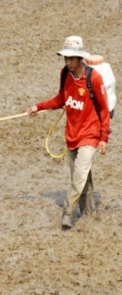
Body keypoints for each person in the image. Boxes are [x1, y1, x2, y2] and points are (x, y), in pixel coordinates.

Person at [27, 36, 110, 230]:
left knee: (78, 176)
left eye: (71, 58)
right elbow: (61, 99)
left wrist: (104, 138)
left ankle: (67, 213)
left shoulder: (94, 78)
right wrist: (38, 107)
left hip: (90, 135)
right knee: (82, 177)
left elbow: (105, 110)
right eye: (66, 58)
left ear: (80, 58)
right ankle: (90, 212)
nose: (68, 62)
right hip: (72, 134)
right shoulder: (65, 74)